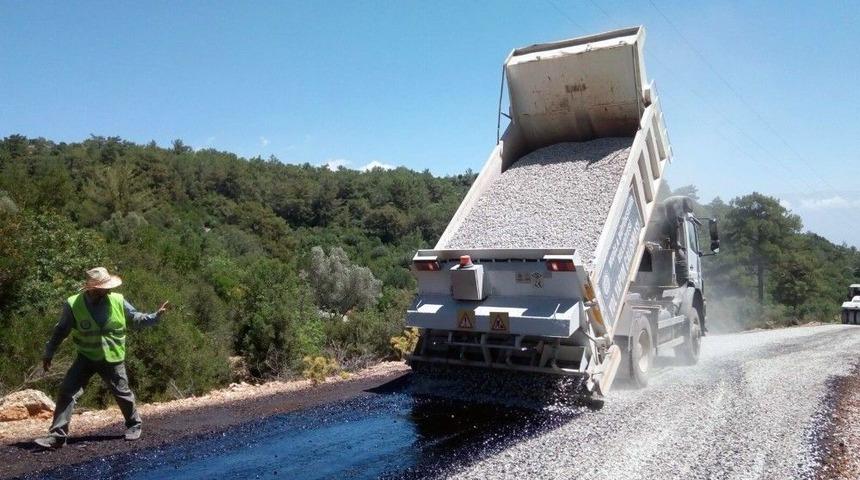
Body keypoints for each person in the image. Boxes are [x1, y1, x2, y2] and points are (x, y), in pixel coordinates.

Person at [33, 267, 168, 450]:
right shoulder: (73, 304)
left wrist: (154, 317)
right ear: (92, 289)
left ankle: (134, 424)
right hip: (86, 356)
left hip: (112, 357)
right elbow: (60, 330)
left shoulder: (117, 300)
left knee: (122, 392)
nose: (109, 290)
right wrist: (49, 352)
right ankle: (57, 437)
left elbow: (134, 317)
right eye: (105, 287)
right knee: (67, 391)